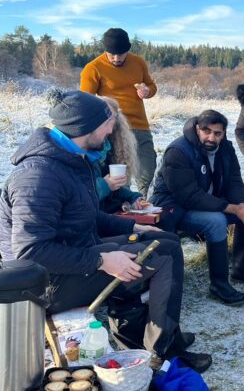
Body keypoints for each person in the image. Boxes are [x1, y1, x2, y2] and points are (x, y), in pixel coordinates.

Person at [0, 90, 211, 372]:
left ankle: (146, 340)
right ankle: (161, 352)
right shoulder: (39, 176)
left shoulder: (72, 159)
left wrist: (131, 225)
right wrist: (103, 261)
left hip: (73, 257)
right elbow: (31, 251)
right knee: (164, 256)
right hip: (43, 286)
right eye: (108, 123)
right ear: (86, 127)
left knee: (165, 240)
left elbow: (86, 214)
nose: (113, 129)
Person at [150, 110, 244, 306]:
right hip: (173, 207)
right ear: (197, 128)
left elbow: (233, 181)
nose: (211, 137)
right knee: (216, 221)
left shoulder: (226, 148)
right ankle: (219, 284)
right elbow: (188, 196)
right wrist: (232, 208)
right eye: (206, 131)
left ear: (223, 133)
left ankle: (241, 269)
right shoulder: (178, 151)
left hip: (208, 200)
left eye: (217, 133)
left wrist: (242, 206)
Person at [80, 28, 158, 197]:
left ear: (128, 50)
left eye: (120, 54)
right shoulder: (93, 68)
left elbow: (152, 86)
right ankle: (124, 206)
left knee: (148, 168)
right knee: (122, 170)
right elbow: (85, 101)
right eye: (112, 54)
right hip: (113, 127)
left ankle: (143, 200)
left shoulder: (138, 63)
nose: (116, 58)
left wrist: (147, 91)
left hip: (140, 125)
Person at [93, 97, 145, 214]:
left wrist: (133, 197)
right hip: (93, 220)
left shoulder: (109, 148)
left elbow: (115, 190)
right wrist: (105, 185)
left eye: (111, 120)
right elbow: (79, 197)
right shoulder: (81, 151)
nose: (110, 129)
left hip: (106, 214)